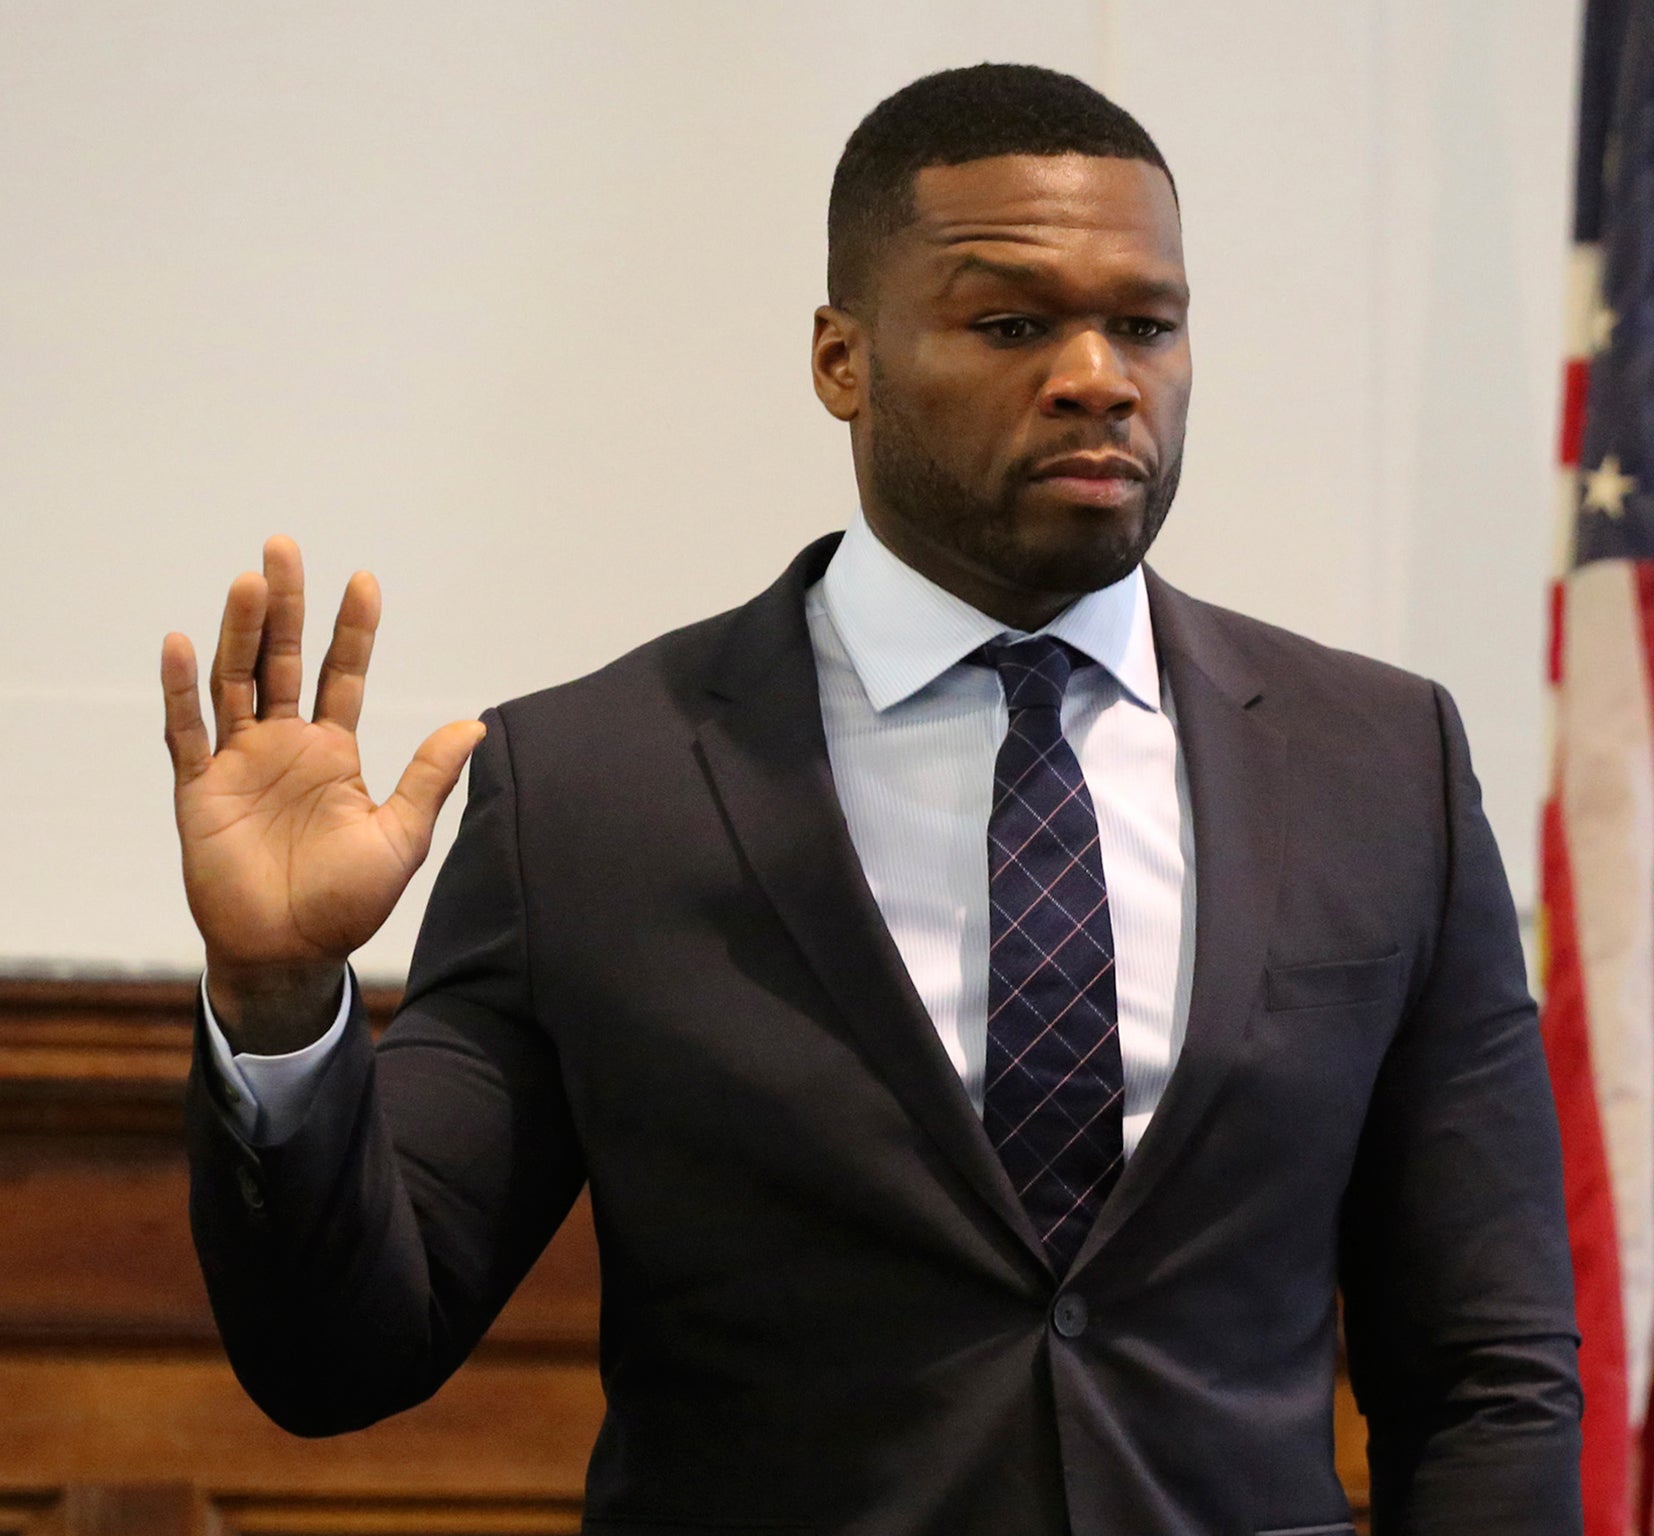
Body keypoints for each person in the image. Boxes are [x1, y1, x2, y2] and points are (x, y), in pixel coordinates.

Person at [163, 63, 1582, 1536]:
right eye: (1014, 322)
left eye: (1145, 324)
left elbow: (1487, 1373)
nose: (1100, 373)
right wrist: (277, 1000)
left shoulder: (1377, 765)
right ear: (844, 361)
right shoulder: (590, 791)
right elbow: (342, 1357)